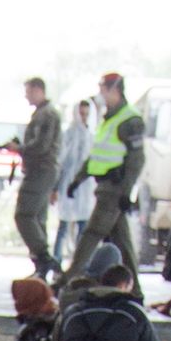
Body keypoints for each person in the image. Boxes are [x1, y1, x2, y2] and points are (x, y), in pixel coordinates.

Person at [64, 72, 147, 281]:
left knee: (92, 233)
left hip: (115, 187)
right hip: (104, 186)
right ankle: (134, 289)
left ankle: (68, 280)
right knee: (122, 242)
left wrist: (126, 192)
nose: (99, 95)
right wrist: (78, 179)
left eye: (103, 90)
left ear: (114, 90)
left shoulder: (130, 120)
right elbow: (97, 156)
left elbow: (136, 160)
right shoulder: (108, 118)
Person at [12, 76, 63, 275]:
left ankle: (44, 257)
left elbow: (41, 146)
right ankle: (40, 266)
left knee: (24, 215)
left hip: (41, 170)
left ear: (38, 90)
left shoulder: (46, 115)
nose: (26, 96)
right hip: (41, 170)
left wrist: (19, 148)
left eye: (28, 91)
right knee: (37, 218)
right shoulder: (42, 113)